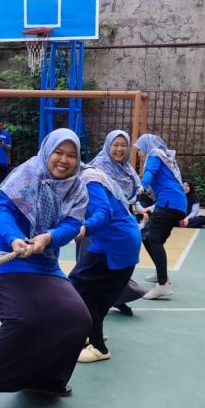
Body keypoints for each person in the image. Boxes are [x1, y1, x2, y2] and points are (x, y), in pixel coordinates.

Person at [0, 129, 90, 408]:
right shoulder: (27, 173)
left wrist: (49, 238)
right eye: (59, 152)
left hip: (43, 260)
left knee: (78, 317)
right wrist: (14, 239)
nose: (64, 160)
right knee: (24, 318)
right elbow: (3, 210)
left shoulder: (77, 187)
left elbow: (73, 224)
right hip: (5, 254)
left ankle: (45, 378)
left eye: (72, 155)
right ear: (48, 151)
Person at [70, 130, 142, 363]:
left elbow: (104, 211)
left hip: (117, 242)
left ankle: (98, 346)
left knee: (82, 289)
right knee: (86, 288)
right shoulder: (86, 175)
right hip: (111, 240)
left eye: (69, 155)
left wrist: (85, 228)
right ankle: (91, 333)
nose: (62, 161)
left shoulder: (88, 179)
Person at [135, 134, 186, 300]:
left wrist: (141, 186)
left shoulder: (155, 154)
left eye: (140, 150)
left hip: (168, 202)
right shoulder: (166, 157)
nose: (140, 153)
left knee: (154, 239)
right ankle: (160, 273)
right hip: (176, 203)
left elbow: (150, 172)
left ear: (146, 146)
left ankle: (163, 284)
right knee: (147, 237)